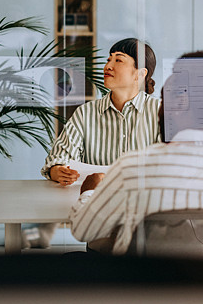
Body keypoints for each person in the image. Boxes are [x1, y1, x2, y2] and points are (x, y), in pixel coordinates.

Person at [70, 51, 203, 254]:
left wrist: (89, 192)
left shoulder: (132, 169)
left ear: (179, 103)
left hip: (148, 277)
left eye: (163, 98)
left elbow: (83, 230)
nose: (160, 108)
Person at [26, 38, 160, 248]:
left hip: (148, 227)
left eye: (118, 60)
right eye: (108, 59)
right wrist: (58, 170)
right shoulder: (86, 113)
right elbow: (57, 158)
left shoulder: (160, 113)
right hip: (100, 229)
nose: (108, 66)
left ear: (140, 74)